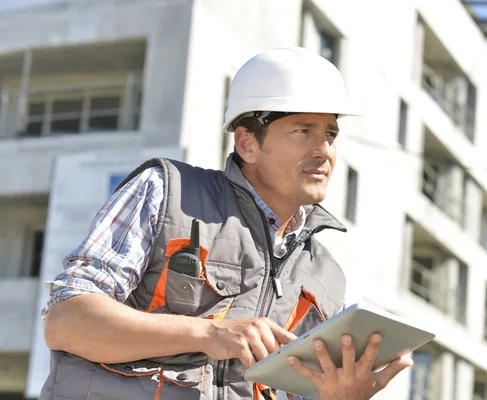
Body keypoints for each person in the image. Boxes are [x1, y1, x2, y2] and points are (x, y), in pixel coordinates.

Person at [40, 46, 413, 400]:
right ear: (247, 143)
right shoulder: (168, 192)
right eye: (304, 131)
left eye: (330, 134)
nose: (324, 151)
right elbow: (66, 322)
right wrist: (207, 333)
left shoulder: (327, 278)